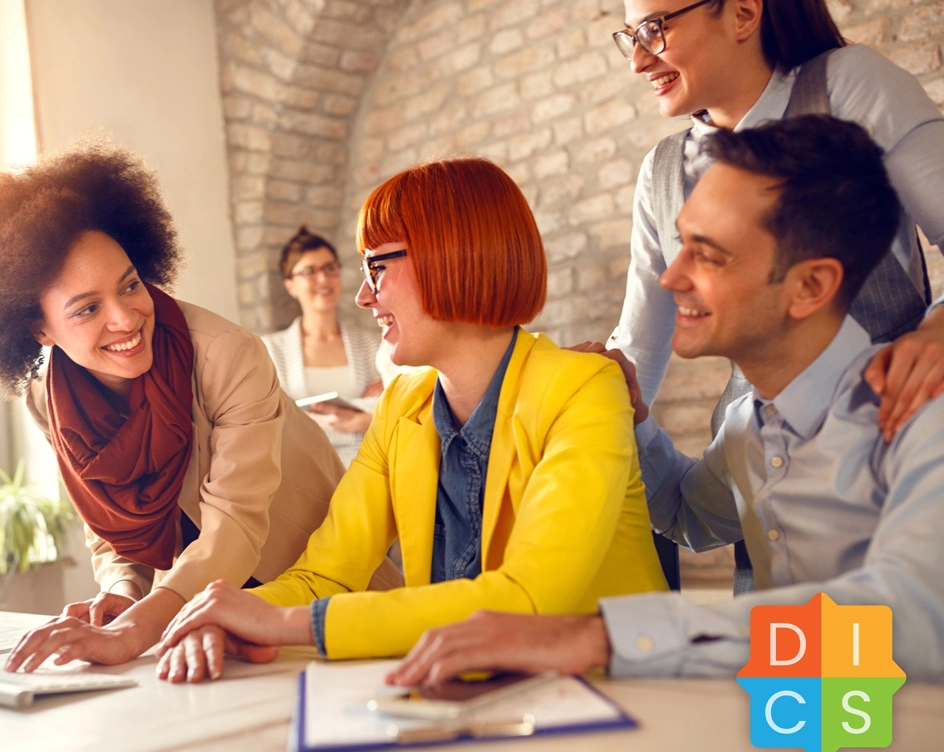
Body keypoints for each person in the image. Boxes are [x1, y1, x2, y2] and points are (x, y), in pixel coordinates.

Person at [388, 117, 944, 687]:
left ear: (809, 287)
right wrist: (633, 421)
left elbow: (915, 617)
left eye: (707, 255)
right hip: (818, 726)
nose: (672, 276)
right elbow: (689, 516)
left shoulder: (925, 415)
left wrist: (596, 635)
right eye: (681, 245)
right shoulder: (749, 424)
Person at [152, 157, 670, 683]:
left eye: (377, 266)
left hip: (613, 705)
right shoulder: (403, 405)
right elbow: (323, 573)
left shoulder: (584, 388)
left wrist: (282, 622)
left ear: (452, 258)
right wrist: (221, 617)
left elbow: (527, 598)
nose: (362, 295)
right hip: (472, 701)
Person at [0, 143, 401, 672]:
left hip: (312, 599)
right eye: (87, 308)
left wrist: (137, 628)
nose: (126, 318)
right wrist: (123, 590)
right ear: (40, 330)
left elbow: (236, 522)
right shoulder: (48, 400)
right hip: (189, 611)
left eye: (130, 284)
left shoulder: (229, 354)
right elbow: (110, 518)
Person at [608, 0, 944, 590]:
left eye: (656, 29)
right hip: (767, 502)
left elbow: (901, 629)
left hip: (893, 421)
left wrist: (936, 333)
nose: (638, 58)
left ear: (742, 14)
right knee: (795, 657)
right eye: (630, 35)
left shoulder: (849, 84)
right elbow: (637, 351)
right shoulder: (748, 434)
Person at [262, 227, 383, 466]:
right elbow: (273, 420)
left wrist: (364, 419)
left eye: (330, 268)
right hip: (303, 471)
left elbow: (396, 407)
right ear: (290, 286)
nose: (323, 279)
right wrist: (366, 413)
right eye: (309, 271)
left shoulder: (374, 344)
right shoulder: (270, 350)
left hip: (367, 466)